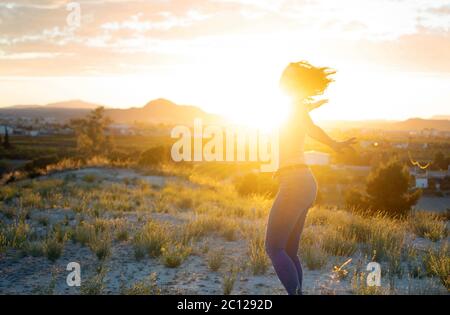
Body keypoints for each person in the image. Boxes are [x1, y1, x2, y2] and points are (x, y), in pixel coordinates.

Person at [265, 61, 356, 295]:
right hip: (304, 182)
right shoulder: (293, 107)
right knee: (289, 250)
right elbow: (302, 119)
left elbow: (310, 127)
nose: (281, 79)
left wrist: (334, 143)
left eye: (287, 76)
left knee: (273, 248)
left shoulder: (294, 108)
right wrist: (334, 143)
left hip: (295, 182)